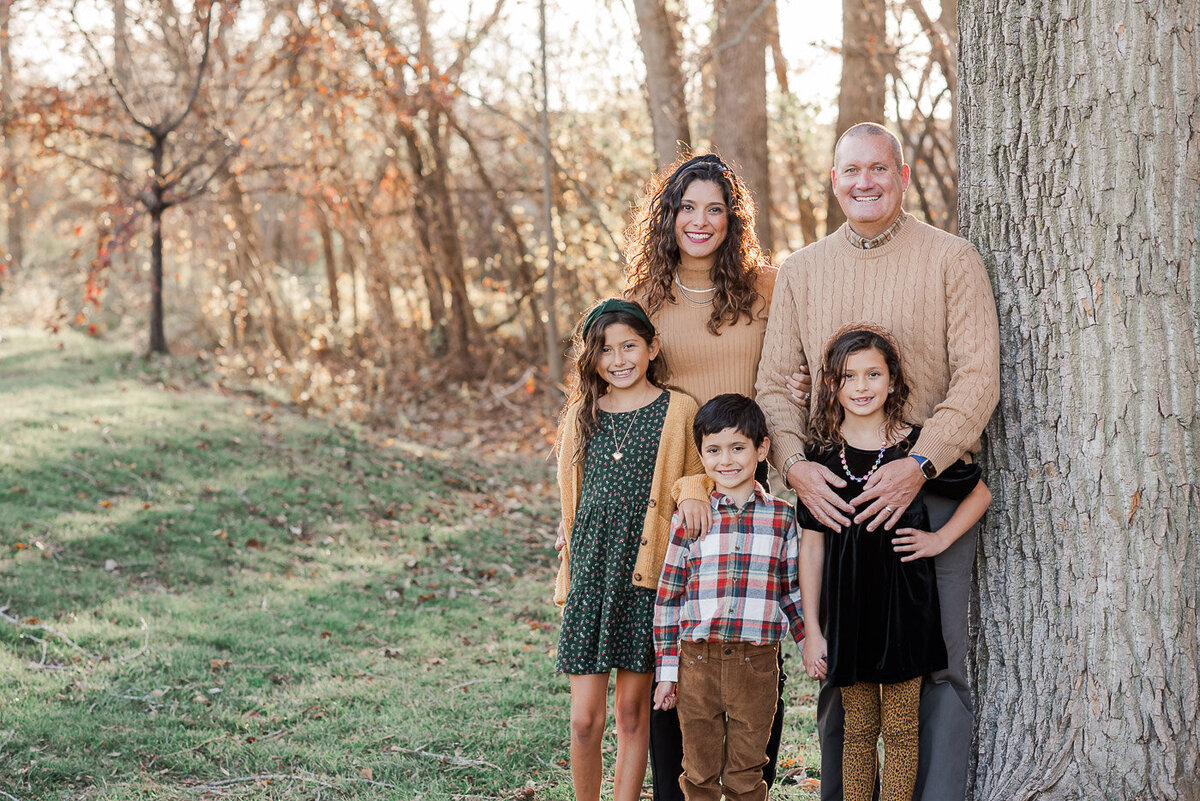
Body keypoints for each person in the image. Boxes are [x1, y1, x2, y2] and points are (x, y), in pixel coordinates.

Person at [755, 122, 1000, 801]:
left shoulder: (952, 259)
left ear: (901, 175)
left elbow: (979, 379)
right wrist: (797, 466)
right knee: (843, 669)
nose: (864, 182)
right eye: (850, 170)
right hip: (835, 492)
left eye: (878, 169)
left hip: (931, 490)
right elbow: (773, 385)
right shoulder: (801, 271)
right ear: (833, 180)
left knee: (938, 664)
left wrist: (919, 463)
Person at [624, 152, 809, 799]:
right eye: (687, 207)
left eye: (715, 208)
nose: (700, 221)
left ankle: (749, 786)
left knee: (756, 655)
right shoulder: (643, 299)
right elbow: (629, 400)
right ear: (668, 215)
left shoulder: (767, 286)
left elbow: (790, 370)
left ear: (733, 219)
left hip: (754, 490)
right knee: (684, 658)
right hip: (679, 500)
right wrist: (687, 486)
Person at [795, 325, 991, 801]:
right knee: (858, 731)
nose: (861, 387)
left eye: (872, 375)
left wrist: (938, 539)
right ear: (831, 385)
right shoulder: (821, 457)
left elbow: (979, 492)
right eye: (848, 377)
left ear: (892, 379)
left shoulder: (915, 449)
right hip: (848, 618)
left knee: (903, 730)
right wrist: (814, 630)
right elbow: (812, 545)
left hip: (905, 613)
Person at [553, 297, 705, 801]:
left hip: (646, 577)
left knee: (631, 713)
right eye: (605, 350)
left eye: (629, 346)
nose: (618, 360)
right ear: (591, 357)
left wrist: (691, 493)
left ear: (652, 347)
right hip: (592, 574)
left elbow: (698, 473)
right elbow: (572, 493)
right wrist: (567, 533)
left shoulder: (678, 408)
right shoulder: (582, 414)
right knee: (583, 720)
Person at [652, 393, 805, 801]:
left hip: (756, 665)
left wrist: (809, 644)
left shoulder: (782, 517)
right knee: (698, 773)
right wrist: (667, 672)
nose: (727, 460)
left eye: (738, 448)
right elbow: (669, 598)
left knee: (747, 773)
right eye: (713, 450)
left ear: (762, 449)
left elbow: (792, 591)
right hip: (696, 661)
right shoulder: (691, 516)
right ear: (700, 454)